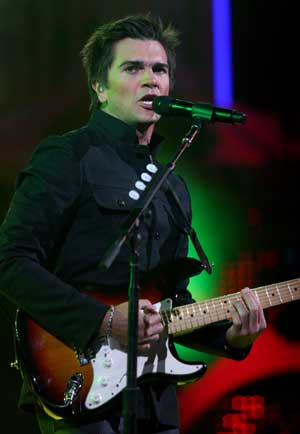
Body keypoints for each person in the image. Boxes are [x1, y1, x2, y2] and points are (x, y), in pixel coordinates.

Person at [0, 14, 267, 434]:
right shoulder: (67, 157)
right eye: (133, 68)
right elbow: (10, 262)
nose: (151, 79)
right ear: (99, 86)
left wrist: (232, 337)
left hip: (156, 397)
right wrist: (103, 321)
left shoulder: (173, 186)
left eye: (159, 69)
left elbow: (171, 302)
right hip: (80, 384)